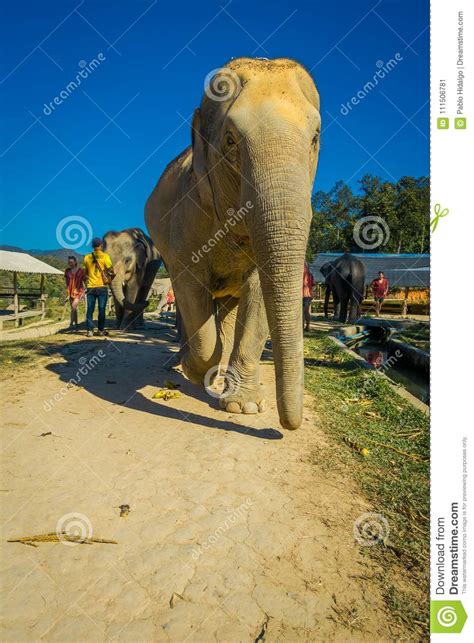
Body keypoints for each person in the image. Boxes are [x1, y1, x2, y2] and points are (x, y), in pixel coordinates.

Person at [83, 237, 114, 337]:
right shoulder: (105, 256)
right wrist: (110, 279)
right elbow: (111, 271)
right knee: (101, 309)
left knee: (90, 309)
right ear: (101, 246)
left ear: (93, 246)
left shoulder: (87, 257)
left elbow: (85, 273)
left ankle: (89, 331)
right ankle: (100, 331)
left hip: (90, 287)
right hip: (102, 287)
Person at [64, 256, 85, 332]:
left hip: (79, 291)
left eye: (72, 262)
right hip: (70, 292)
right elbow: (67, 282)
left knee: (73, 306)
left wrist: (84, 292)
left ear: (75, 262)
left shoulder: (81, 271)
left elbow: (84, 281)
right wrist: (67, 292)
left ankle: (71, 324)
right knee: (74, 309)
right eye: (69, 262)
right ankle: (76, 324)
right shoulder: (67, 271)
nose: (70, 264)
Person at [302, 261, 314, 331]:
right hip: (308, 295)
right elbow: (313, 285)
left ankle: (301, 327)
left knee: (302, 312)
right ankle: (308, 326)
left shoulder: (301, 274)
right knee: (306, 311)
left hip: (302, 295)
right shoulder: (310, 274)